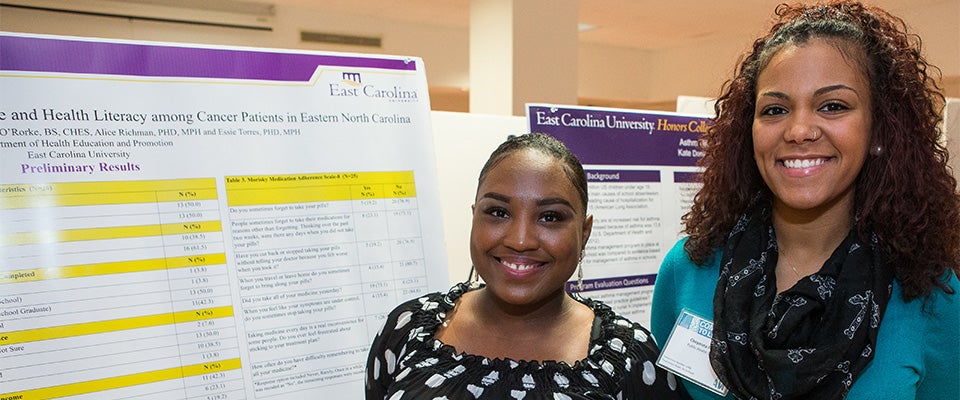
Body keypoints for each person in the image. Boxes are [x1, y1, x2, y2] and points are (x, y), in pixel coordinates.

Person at [651, 2, 960, 400]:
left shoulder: (929, 293)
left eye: (833, 106)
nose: (798, 130)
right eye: (775, 109)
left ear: (879, 130)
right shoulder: (688, 269)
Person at [366, 133, 686, 399]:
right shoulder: (407, 329)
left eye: (550, 217)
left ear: (584, 232)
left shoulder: (629, 359)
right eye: (498, 212)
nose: (520, 241)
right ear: (474, 215)